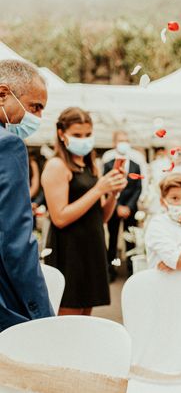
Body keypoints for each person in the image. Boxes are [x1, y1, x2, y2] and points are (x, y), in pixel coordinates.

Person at [41, 107, 127, 315]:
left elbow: (101, 218)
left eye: (87, 135)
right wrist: (99, 189)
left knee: (86, 321)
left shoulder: (91, 166)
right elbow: (59, 217)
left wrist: (113, 194)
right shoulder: (57, 166)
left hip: (92, 248)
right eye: (77, 135)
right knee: (67, 321)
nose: (84, 140)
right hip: (69, 252)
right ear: (62, 134)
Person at [0, 59, 54, 331]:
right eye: (35, 107)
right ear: (2, 94)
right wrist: (43, 316)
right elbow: (15, 241)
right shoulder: (8, 145)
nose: (38, 117)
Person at [104, 144, 143, 280]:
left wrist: (129, 207)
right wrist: (118, 206)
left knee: (131, 240)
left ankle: (131, 271)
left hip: (130, 210)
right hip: (114, 209)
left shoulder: (135, 165)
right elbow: (107, 187)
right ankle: (111, 271)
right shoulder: (108, 165)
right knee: (113, 239)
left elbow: (138, 188)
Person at [102, 130, 149, 194]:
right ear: (114, 142)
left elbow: (143, 179)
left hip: (132, 198)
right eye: (121, 141)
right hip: (112, 196)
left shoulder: (138, 156)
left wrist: (142, 196)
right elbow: (104, 179)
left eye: (126, 141)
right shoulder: (107, 156)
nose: (124, 143)